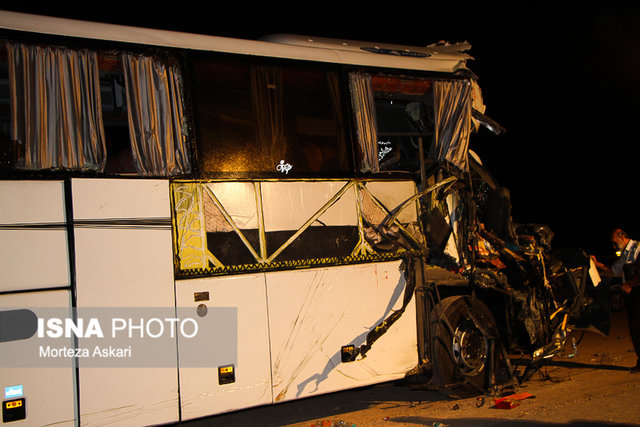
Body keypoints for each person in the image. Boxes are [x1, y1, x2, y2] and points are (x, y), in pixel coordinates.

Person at [592, 229, 640, 373]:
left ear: (622, 237)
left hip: (637, 290)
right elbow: (614, 271)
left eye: (614, 242)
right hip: (633, 292)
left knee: (637, 327)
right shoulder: (626, 253)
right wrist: (597, 264)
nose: (614, 246)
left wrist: (630, 284)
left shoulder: (638, 248)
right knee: (635, 328)